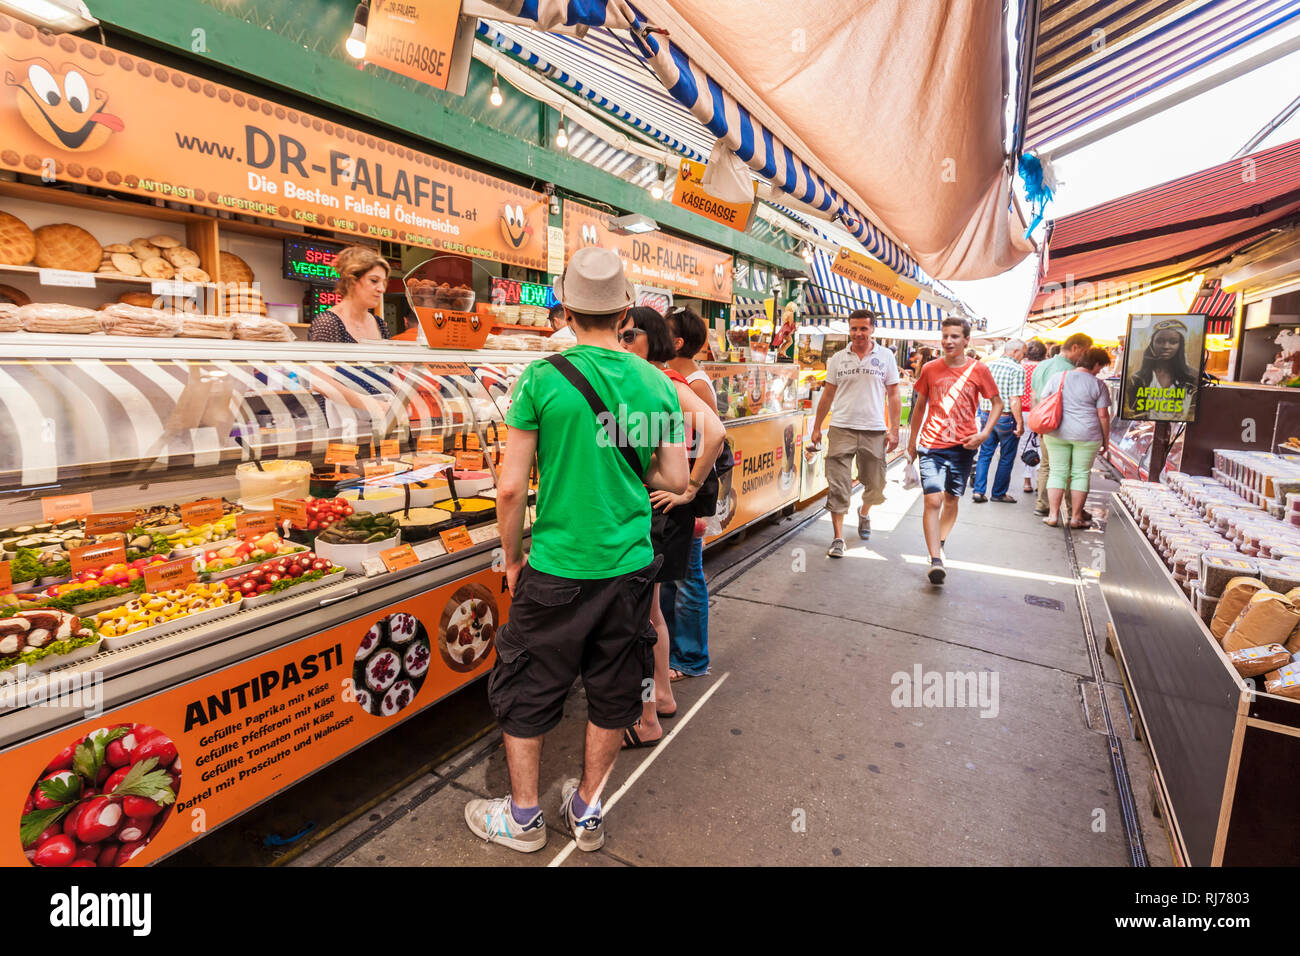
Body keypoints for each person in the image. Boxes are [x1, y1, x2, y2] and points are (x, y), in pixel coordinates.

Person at [464, 246, 688, 854]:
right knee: (616, 688)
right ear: (624, 313)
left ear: (564, 307)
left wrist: (512, 560)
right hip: (629, 566)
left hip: (558, 565)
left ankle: (524, 817)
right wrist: (622, 450)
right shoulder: (656, 383)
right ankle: (587, 812)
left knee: (530, 686)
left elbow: (510, 487)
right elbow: (672, 478)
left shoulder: (541, 378)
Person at [618, 307, 724, 748]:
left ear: (650, 338)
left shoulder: (662, 381)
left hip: (658, 510)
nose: (621, 341)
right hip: (662, 512)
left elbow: (715, 433)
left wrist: (688, 488)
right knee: (653, 614)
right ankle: (660, 696)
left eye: (628, 334)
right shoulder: (654, 380)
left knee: (641, 621)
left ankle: (645, 718)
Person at [907, 317, 1002, 585]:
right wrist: (912, 443)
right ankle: (935, 559)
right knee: (933, 500)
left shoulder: (979, 370)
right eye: (945, 336)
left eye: (955, 336)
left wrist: (984, 434)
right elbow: (920, 406)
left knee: (951, 499)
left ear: (966, 340)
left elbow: (997, 402)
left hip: (963, 445)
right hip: (932, 444)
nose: (948, 341)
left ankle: (940, 540)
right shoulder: (930, 368)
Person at [809, 309, 901, 557]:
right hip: (841, 428)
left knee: (876, 483)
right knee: (838, 484)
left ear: (872, 330)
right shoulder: (838, 358)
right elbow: (827, 394)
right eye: (854, 329)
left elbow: (893, 394)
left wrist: (894, 429)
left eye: (863, 328)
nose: (858, 333)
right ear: (849, 330)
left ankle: (864, 513)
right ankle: (838, 538)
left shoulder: (886, 357)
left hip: (874, 430)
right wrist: (817, 427)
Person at [661, 307, 717, 682]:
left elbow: (713, 441)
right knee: (674, 575)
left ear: (677, 342)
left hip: (689, 493)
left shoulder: (692, 383)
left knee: (688, 576)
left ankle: (691, 658)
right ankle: (673, 651)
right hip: (679, 489)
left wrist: (693, 494)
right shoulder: (678, 377)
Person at [1041, 347, 1113, 528]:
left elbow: (1044, 402)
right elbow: (1103, 415)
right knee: (1080, 474)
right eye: (1101, 366)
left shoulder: (1058, 377)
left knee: (1057, 472)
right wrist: (1106, 440)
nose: (1099, 371)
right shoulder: (1098, 385)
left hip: (1057, 432)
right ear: (1095, 363)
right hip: (1087, 435)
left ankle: (1052, 515)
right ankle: (1076, 518)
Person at [1030, 333, 1093, 518]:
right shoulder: (1070, 371)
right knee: (1067, 468)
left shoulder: (1042, 365)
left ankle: (1042, 504)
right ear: (1075, 348)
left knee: (1047, 465)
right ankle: (1073, 508)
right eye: (1085, 351)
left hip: (1044, 422)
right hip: (1063, 425)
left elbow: (1035, 396)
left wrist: (1038, 424)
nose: (1085, 357)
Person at [971, 339, 1026, 503]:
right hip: (1005, 418)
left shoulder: (989, 366)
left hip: (987, 415)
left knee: (985, 454)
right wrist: (1020, 423)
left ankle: (978, 491)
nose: (1024, 356)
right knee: (1006, 457)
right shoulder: (1017, 369)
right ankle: (998, 493)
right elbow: (1014, 399)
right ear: (1015, 351)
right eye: (1023, 353)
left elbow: (980, 392)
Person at [308, 245, 391, 342]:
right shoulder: (328, 324)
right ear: (352, 280)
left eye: (383, 282)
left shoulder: (380, 324)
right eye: (374, 280)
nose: (381, 289)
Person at [1125, 318, 1198, 420]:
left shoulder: (1193, 377)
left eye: (1173, 342)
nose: (1166, 346)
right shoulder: (1136, 378)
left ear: (1180, 345)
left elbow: (1193, 414)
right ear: (1152, 344)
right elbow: (1132, 413)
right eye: (1160, 341)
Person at [1021, 339, 1047, 494]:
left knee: (1026, 446)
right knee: (1042, 447)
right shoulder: (1045, 368)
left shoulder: (1021, 368)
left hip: (1023, 411)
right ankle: (1040, 480)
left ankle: (1026, 482)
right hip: (1041, 411)